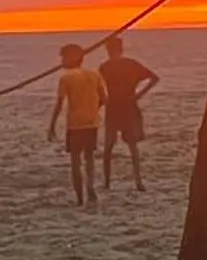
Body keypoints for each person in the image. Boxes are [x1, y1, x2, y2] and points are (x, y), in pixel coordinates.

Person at [47, 43, 107, 207]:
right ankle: (90, 187)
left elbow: (59, 103)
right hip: (92, 123)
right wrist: (92, 110)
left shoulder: (66, 77)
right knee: (89, 158)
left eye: (63, 57)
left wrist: (52, 126)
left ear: (71, 58)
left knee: (75, 161)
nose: (62, 61)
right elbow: (104, 99)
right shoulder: (94, 74)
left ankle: (80, 198)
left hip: (75, 125)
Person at [96, 36, 158, 192]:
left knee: (109, 147)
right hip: (128, 105)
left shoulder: (104, 67)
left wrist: (99, 105)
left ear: (108, 50)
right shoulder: (130, 64)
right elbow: (154, 78)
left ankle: (107, 183)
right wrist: (139, 95)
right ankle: (138, 181)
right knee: (132, 146)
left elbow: (99, 90)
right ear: (121, 48)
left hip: (114, 107)